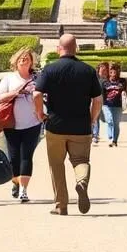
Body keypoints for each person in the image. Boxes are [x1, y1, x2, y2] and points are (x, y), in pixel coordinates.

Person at [35, 33, 102, 215]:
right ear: (76, 49)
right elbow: (97, 99)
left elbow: (36, 94)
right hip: (81, 125)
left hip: (55, 125)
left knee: (56, 165)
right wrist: (93, 118)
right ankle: (81, 181)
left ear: (59, 49)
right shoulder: (88, 70)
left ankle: (61, 205)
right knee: (81, 161)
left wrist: (41, 114)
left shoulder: (50, 69)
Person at [0, 48, 44, 202]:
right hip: (11, 124)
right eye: (21, 58)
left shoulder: (37, 78)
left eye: (27, 58)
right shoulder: (9, 78)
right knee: (14, 157)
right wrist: (16, 93)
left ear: (31, 62)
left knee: (27, 156)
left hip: (33, 123)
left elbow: (45, 96)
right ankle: (16, 181)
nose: (24, 60)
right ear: (16, 61)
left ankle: (24, 189)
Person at [102, 63, 127, 147]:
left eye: (115, 72)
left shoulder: (122, 81)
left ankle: (114, 140)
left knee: (116, 123)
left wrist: (124, 94)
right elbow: (102, 94)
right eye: (111, 72)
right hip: (107, 104)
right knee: (109, 120)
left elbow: (125, 91)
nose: (113, 74)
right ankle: (110, 134)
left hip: (118, 105)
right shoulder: (105, 82)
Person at [92, 62, 109, 141]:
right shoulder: (95, 78)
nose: (104, 71)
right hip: (96, 100)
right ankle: (95, 134)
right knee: (96, 118)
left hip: (105, 102)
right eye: (102, 69)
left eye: (105, 70)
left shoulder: (108, 79)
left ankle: (95, 134)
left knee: (106, 118)